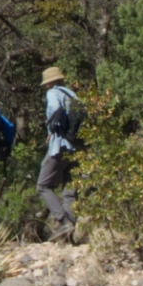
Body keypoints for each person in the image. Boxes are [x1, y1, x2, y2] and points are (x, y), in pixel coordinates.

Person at [39, 65, 84, 240]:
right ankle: (71, 235)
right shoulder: (73, 95)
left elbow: (55, 109)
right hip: (77, 148)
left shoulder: (53, 93)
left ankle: (63, 221)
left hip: (60, 145)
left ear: (48, 83)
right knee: (69, 192)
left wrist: (50, 127)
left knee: (43, 185)